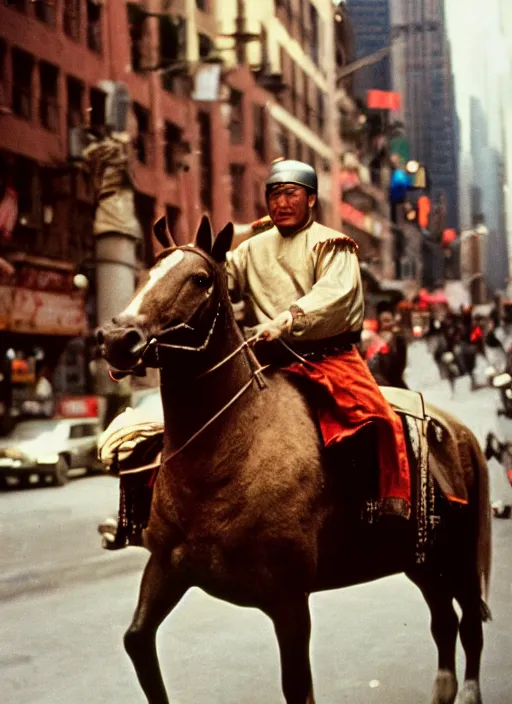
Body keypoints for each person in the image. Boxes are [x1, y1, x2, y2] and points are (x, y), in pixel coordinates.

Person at [226, 159, 410, 519]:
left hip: (327, 357)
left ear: (311, 199)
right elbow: (219, 282)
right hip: (262, 360)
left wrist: (286, 319)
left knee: (380, 419)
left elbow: (334, 295)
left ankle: (384, 501)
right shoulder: (249, 249)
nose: (281, 203)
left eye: (290, 194)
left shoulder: (333, 244)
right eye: (274, 195)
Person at [364, 301, 408, 388]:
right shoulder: (369, 339)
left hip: (392, 386)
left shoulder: (399, 340)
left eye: (388, 321)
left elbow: (398, 370)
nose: (386, 325)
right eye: (383, 321)